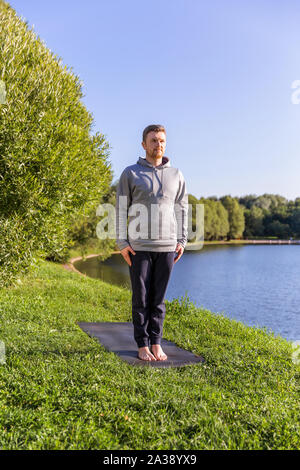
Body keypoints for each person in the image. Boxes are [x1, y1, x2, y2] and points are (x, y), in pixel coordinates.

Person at [115, 124, 188, 361]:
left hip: (167, 247)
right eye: (154, 140)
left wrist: (182, 241)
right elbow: (120, 209)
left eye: (162, 141)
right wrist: (121, 242)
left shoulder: (177, 175)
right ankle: (142, 345)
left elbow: (182, 209)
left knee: (158, 300)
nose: (159, 145)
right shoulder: (130, 173)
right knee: (141, 298)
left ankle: (156, 342)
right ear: (144, 144)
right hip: (139, 247)